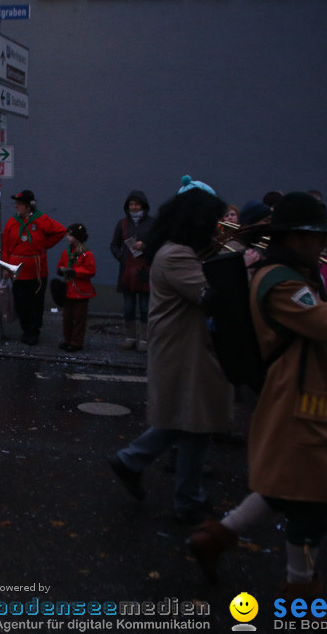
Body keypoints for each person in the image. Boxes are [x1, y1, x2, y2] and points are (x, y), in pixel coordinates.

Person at [189, 192, 327, 596]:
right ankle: (301, 591)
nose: (326, 247)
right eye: (320, 238)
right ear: (297, 238)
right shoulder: (280, 280)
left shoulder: (292, 273)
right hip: (296, 400)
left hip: (302, 393)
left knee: (283, 486)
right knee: (311, 502)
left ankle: (214, 538)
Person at [108, 179, 232, 526]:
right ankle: (185, 497)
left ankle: (137, 464)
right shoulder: (176, 254)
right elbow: (211, 295)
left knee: (190, 420)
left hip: (187, 346)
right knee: (192, 420)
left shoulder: (183, 249)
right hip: (183, 348)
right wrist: (249, 264)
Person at [0, 190, 65, 345]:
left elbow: (60, 231)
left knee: (36, 303)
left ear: (28, 206)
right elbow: (6, 245)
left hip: (37, 270)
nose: (17, 206)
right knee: (21, 302)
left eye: (20, 204)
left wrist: (43, 246)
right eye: (16, 203)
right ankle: (25, 329)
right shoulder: (12, 222)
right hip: (18, 270)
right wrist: (5, 266)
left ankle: (34, 331)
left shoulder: (41, 219)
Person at [109, 190, 155, 351]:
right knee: (128, 306)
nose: (133, 207)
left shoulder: (152, 224)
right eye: (131, 204)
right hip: (127, 271)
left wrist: (146, 247)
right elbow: (114, 245)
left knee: (144, 307)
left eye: (136, 204)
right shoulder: (122, 224)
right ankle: (130, 337)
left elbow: (159, 245)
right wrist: (123, 257)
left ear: (143, 205)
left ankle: (144, 338)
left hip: (144, 270)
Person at [56, 223, 96, 352]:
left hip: (81, 291)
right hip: (69, 290)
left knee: (79, 318)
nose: (67, 237)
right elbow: (60, 264)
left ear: (77, 237)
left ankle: (76, 342)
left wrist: (75, 272)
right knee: (67, 317)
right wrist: (61, 271)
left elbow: (91, 271)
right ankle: (68, 340)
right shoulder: (67, 252)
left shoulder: (87, 254)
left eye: (70, 235)